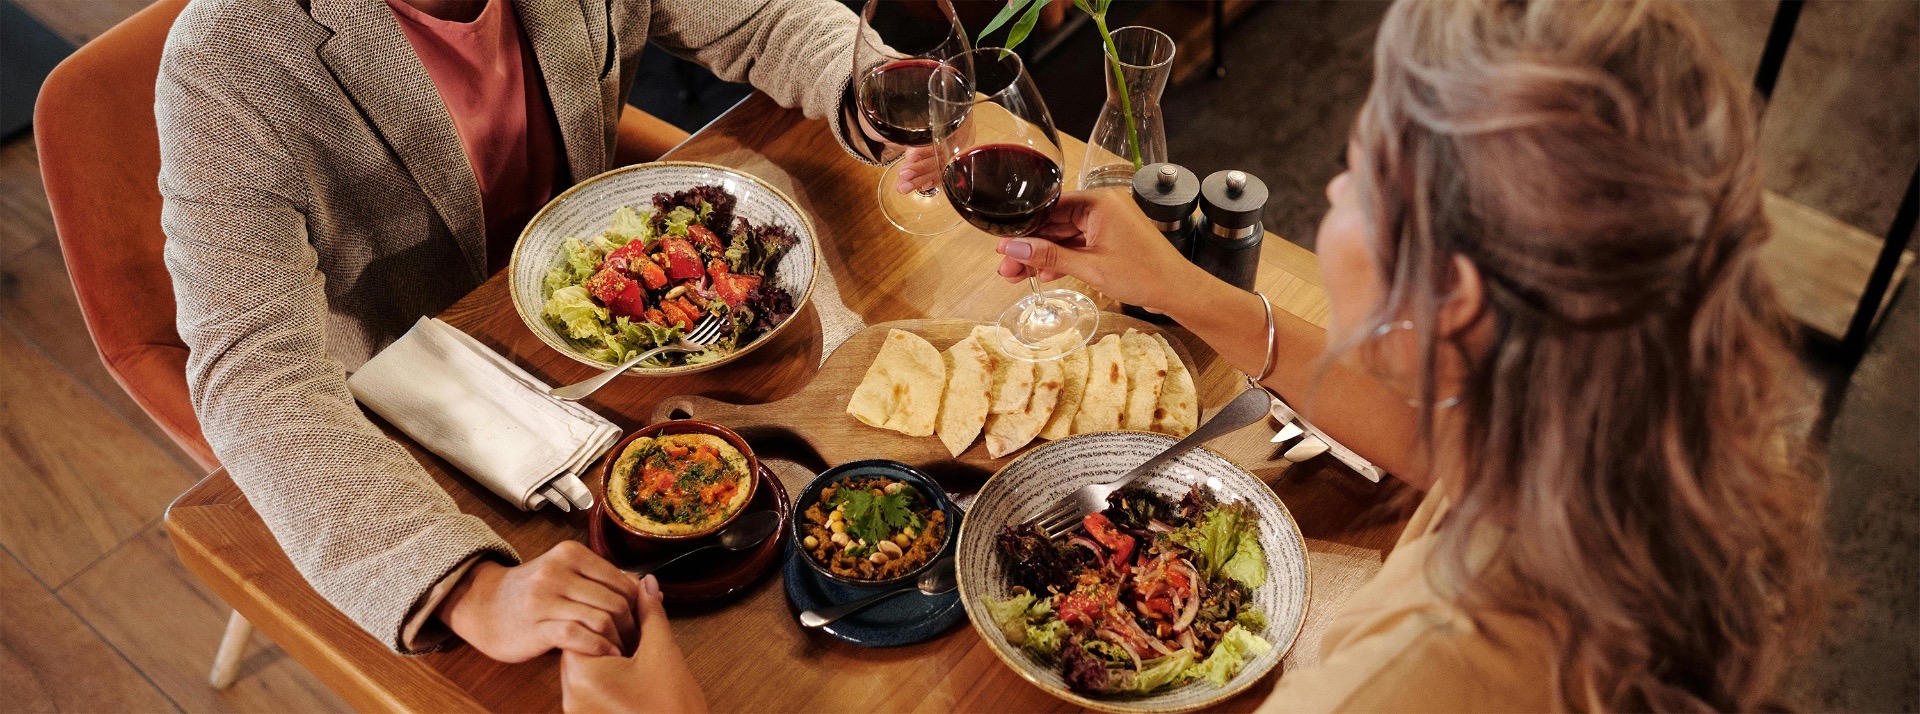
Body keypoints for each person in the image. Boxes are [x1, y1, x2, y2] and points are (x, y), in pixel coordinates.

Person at [982, 0, 1828, 710]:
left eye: (1358, 172)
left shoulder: (1402, 676)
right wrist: (1181, 288)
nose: (1335, 191)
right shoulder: (1647, 396)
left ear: (1455, 295)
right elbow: (1436, 438)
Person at [156, 0, 884, 674]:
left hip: (615, 363)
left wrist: (872, 89)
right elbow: (253, 368)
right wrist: (466, 588)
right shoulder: (226, 58)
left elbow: (758, 14)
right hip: (418, 432)